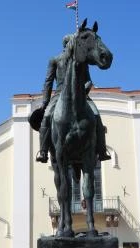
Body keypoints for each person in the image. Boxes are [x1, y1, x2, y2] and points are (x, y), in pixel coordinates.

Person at [36, 34, 111, 163]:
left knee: (96, 115)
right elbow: (48, 82)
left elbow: (88, 81)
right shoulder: (55, 60)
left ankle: (102, 150)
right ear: (66, 45)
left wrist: (83, 91)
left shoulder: (82, 62)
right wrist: (45, 102)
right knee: (47, 117)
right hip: (59, 95)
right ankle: (43, 151)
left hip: (82, 96)